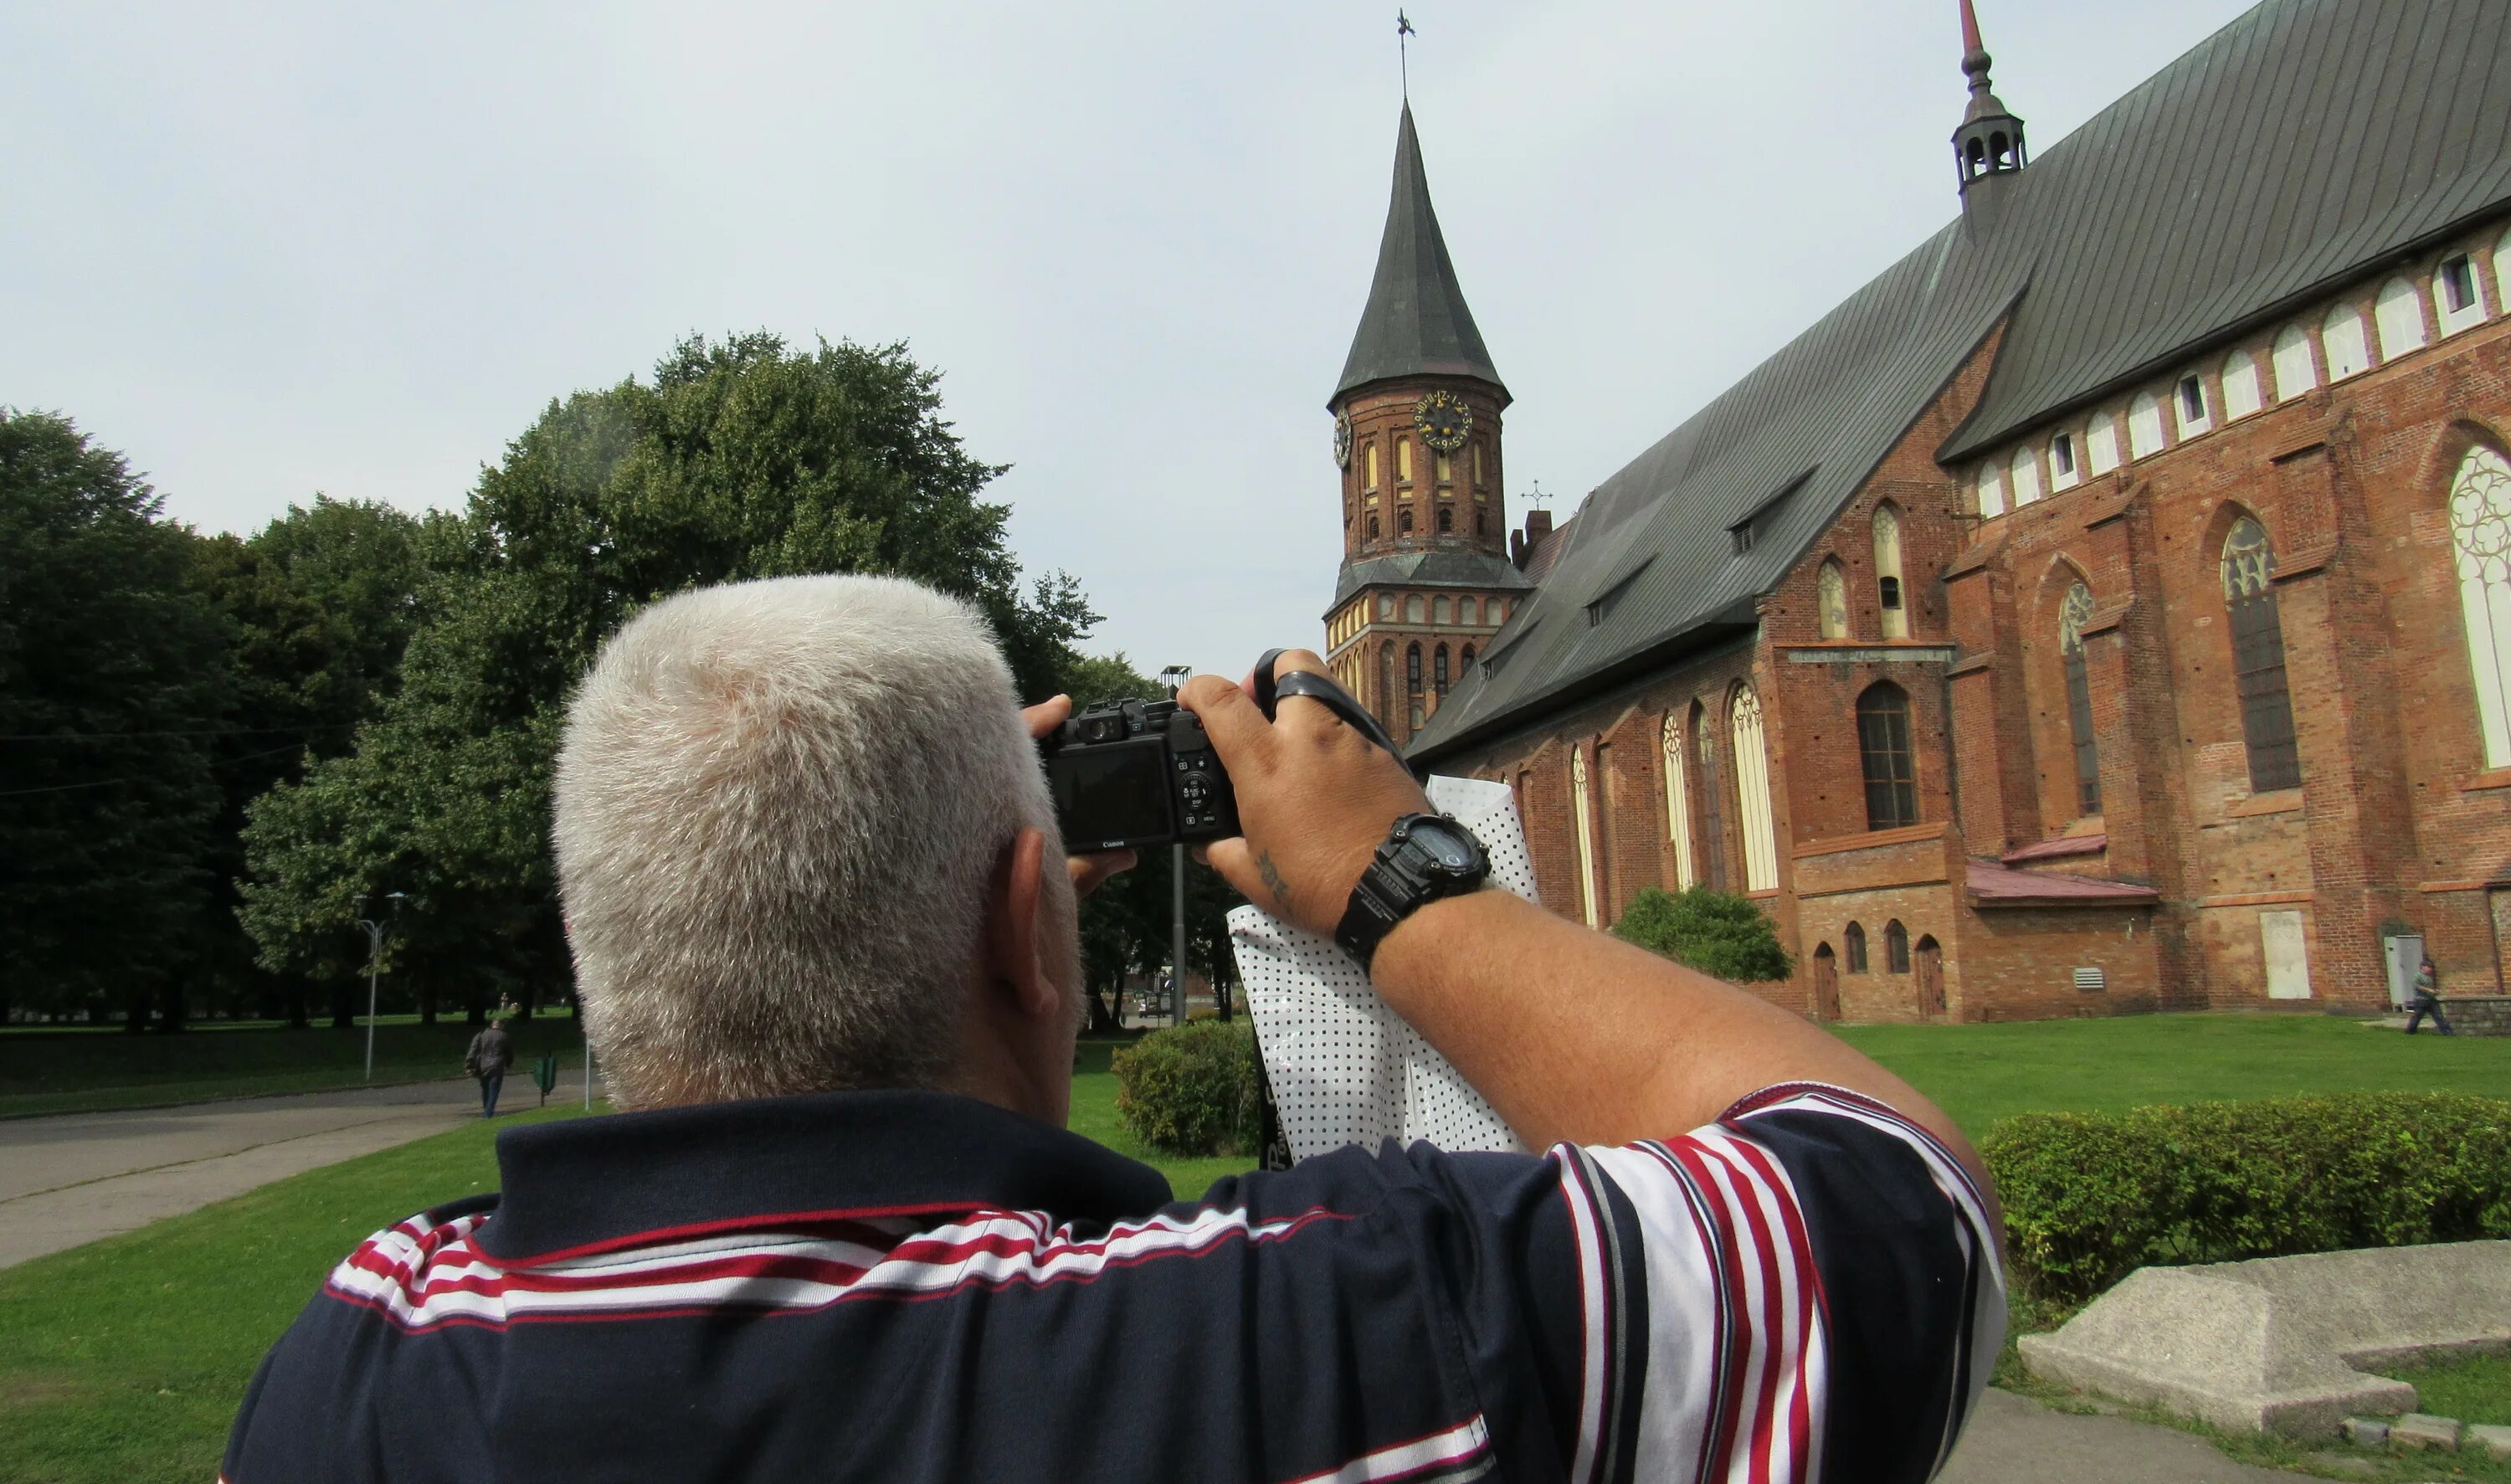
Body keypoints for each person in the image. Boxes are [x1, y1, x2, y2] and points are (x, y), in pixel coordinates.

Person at [224, 575, 2004, 1483]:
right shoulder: (1297, 1331)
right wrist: (1406, 883)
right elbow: (1894, 1213)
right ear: (1030, 921)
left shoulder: (367, 1360)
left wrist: (955, 871)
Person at [463, 1016, 513, 1117]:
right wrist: (508, 1064)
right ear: (502, 1025)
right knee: (494, 1091)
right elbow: (509, 1053)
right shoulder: (504, 1036)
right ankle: (488, 1113)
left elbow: (473, 1051)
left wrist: (469, 1066)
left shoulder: (481, 1035)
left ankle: (487, 1110)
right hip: (497, 1066)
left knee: (485, 1090)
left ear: (492, 1024)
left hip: (483, 1066)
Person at [2406, 955, 2454, 1035]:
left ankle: (2447, 1032)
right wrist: (2429, 990)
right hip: (2421, 1000)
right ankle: (2410, 1031)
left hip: (2431, 999)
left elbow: (2430, 988)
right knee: (2417, 1016)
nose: (2430, 969)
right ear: (2423, 967)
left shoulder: (2429, 977)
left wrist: (2435, 991)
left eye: (2431, 967)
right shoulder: (2418, 976)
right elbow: (2417, 985)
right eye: (2428, 967)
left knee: (2439, 1016)